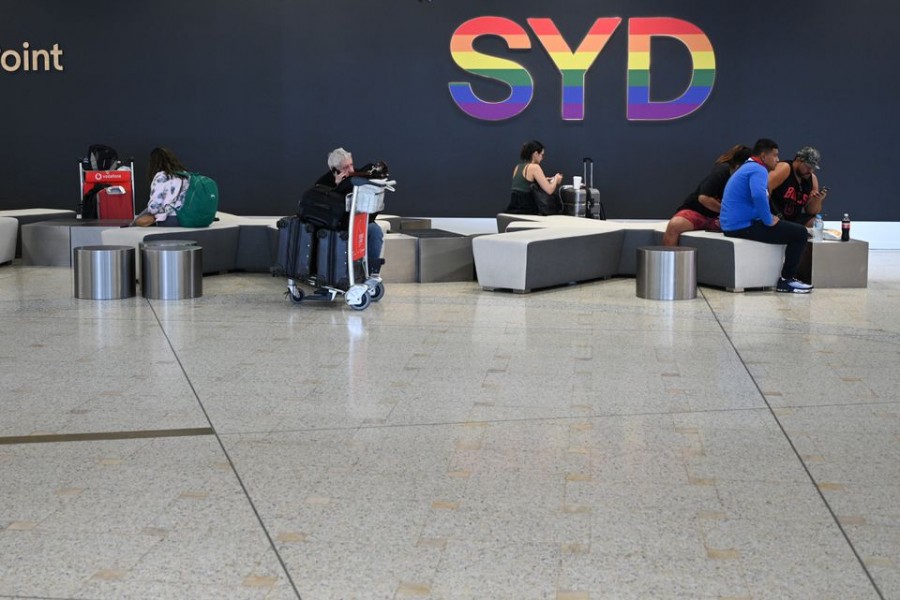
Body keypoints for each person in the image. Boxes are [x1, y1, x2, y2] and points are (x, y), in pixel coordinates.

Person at [720, 138, 813, 294]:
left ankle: (787, 279)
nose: (778, 159)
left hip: (733, 225)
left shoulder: (746, 168)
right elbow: (758, 195)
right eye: (775, 156)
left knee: (789, 228)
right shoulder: (759, 169)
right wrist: (768, 219)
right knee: (800, 233)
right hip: (742, 227)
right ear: (763, 156)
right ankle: (786, 280)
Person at [662, 144, 752, 246]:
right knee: (674, 226)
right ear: (737, 167)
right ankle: (669, 260)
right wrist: (726, 212)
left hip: (720, 219)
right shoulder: (722, 171)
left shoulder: (751, 180)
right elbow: (704, 198)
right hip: (698, 212)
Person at [315, 147, 384, 275]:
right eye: (346, 167)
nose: (351, 169)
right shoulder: (323, 184)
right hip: (337, 225)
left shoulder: (357, 175)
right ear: (335, 170)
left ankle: (370, 273)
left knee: (375, 231)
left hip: (357, 220)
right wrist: (337, 188)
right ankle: (340, 274)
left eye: (351, 164)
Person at [769, 146, 827, 226]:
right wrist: (766, 214)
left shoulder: (812, 178)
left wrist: (817, 199)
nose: (810, 171)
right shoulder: (785, 168)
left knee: (815, 222)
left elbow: (811, 211)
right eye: (807, 166)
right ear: (798, 160)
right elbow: (764, 189)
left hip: (793, 219)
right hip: (775, 215)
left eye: (813, 168)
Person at [132, 147, 188, 227]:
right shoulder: (185, 175)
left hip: (170, 219)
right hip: (187, 217)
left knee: (138, 221)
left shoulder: (161, 176)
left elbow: (154, 207)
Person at [506, 140, 563, 214]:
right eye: (542, 155)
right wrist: (556, 179)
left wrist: (544, 180)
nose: (542, 158)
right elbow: (549, 190)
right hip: (527, 208)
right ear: (536, 154)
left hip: (513, 207)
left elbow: (524, 184)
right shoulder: (535, 167)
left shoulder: (518, 167)